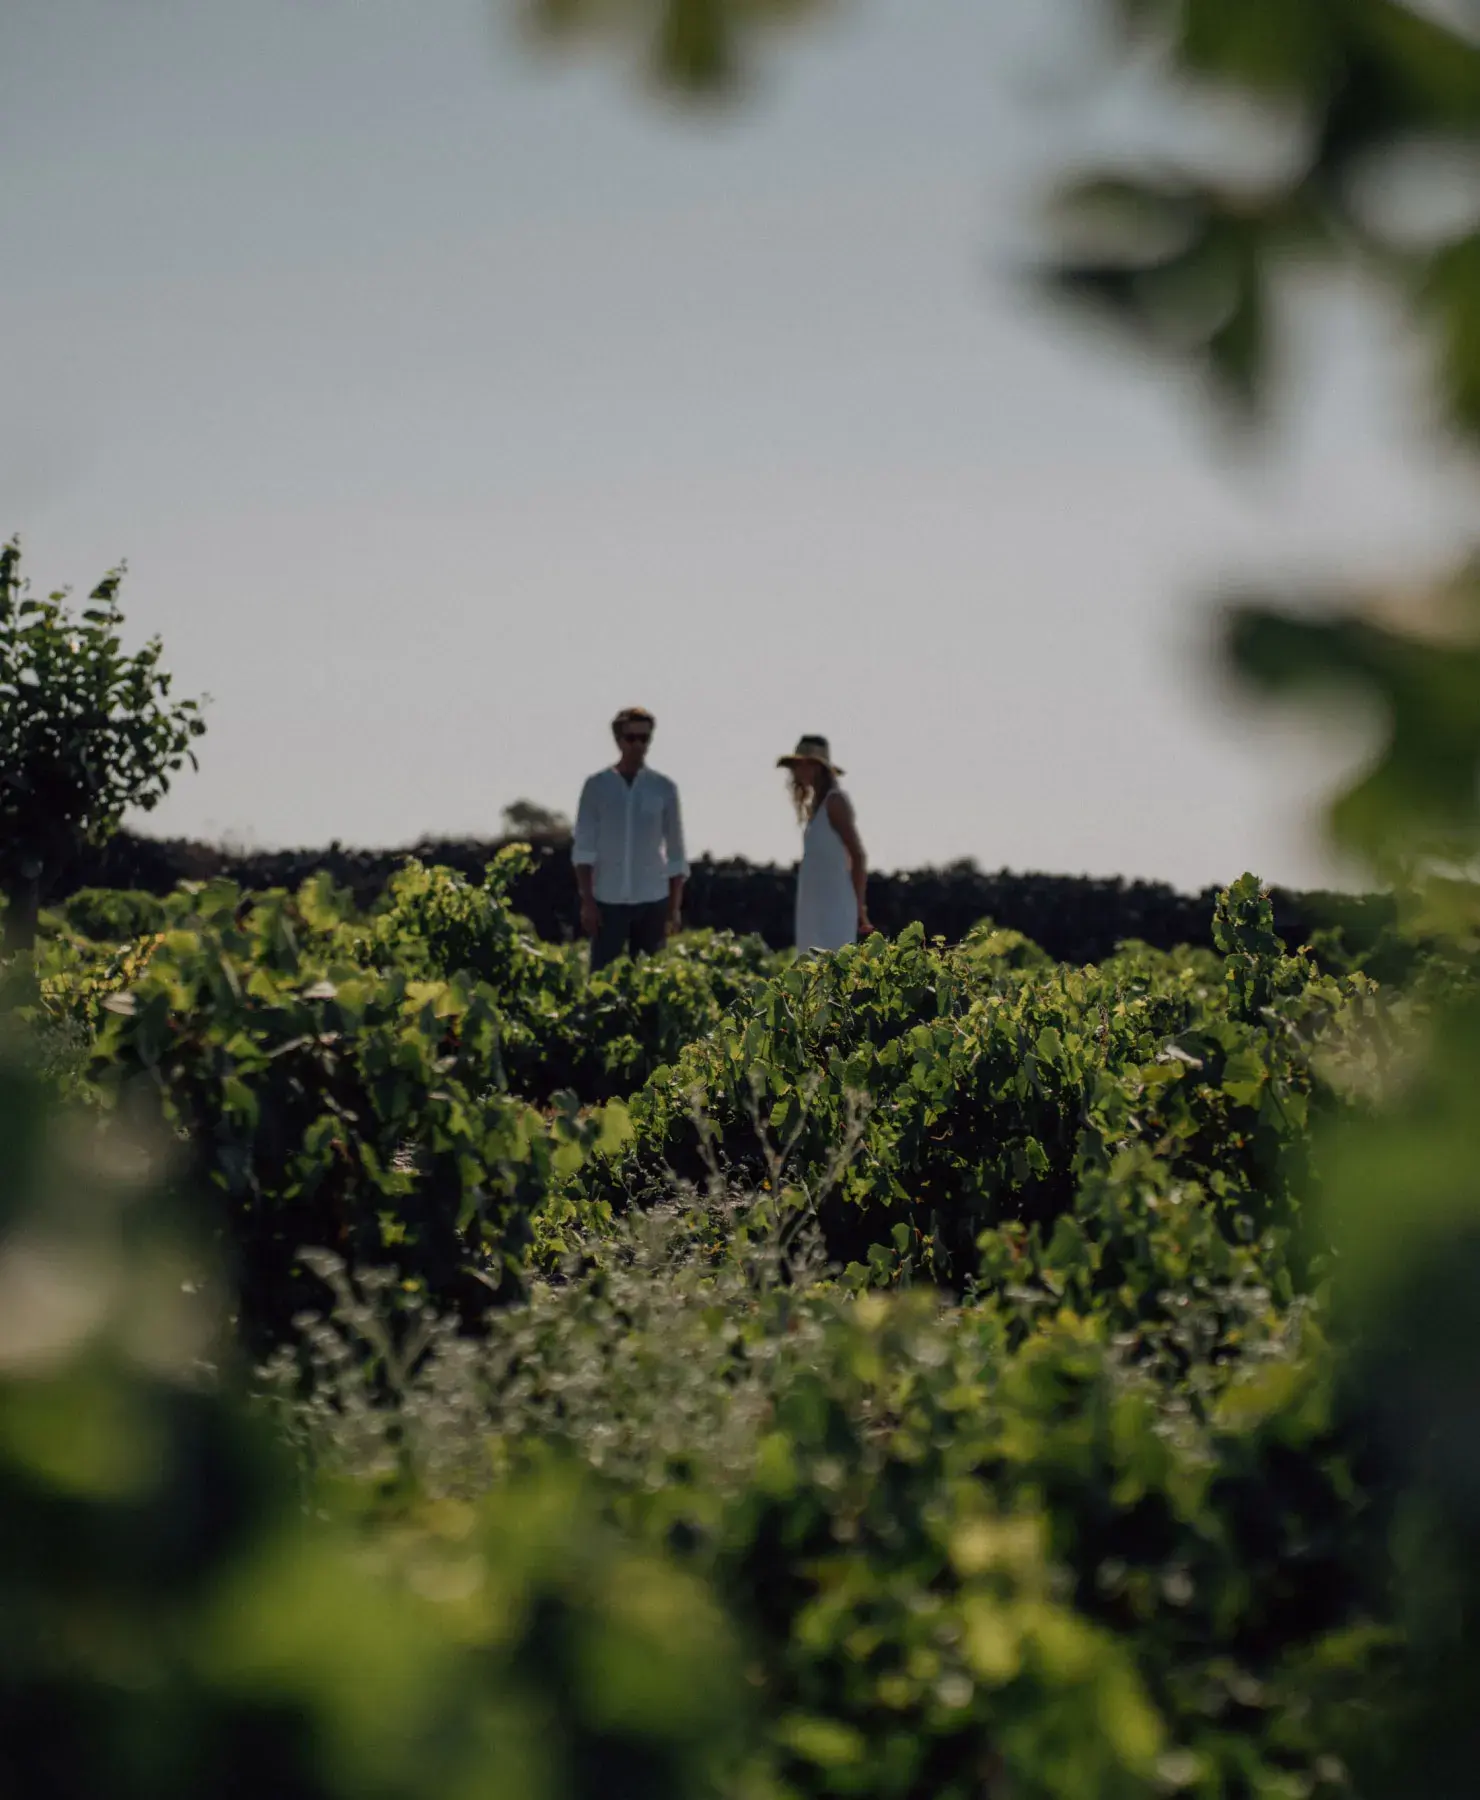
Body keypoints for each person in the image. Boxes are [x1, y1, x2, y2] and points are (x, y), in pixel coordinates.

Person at [572, 706, 689, 973]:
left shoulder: (664, 788)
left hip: (652, 899)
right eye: (631, 738)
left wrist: (674, 909)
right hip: (607, 900)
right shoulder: (596, 787)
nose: (638, 746)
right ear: (618, 739)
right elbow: (584, 849)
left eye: (644, 739)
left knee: (651, 982)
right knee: (602, 981)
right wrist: (587, 902)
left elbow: (676, 852)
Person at [777, 733, 872, 952]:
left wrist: (859, 907)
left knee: (832, 967)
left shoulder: (835, 801)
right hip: (815, 904)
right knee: (810, 970)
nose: (797, 772)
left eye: (803, 765)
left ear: (818, 767)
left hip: (835, 904)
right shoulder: (815, 808)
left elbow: (857, 855)